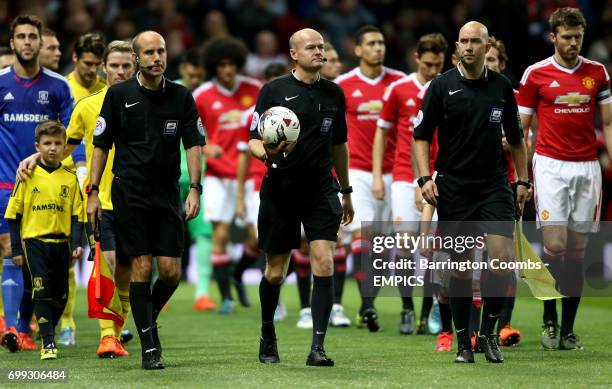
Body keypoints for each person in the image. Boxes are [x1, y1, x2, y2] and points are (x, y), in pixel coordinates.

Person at [87, 30, 204, 370]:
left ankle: (146, 315)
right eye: (150, 52)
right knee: (141, 264)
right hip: (130, 191)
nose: (157, 57)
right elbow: (101, 146)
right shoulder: (119, 95)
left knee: (170, 272)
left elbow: (193, 144)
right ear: (138, 58)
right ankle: (149, 346)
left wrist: (195, 187)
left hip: (167, 191)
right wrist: (93, 192)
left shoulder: (182, 96)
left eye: (162, 51)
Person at [413, 21, 529, 364]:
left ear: (485, 45)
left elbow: (517, 139)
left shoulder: (502, 88)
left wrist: (521, 180)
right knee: (460, 268)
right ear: (458, 46)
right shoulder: (441, 86)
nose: (468, 46)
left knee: (501, 257)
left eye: (474, 41)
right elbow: (420, 136)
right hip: (454, 186)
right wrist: (424, 179)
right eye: (462, 41)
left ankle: (490, 334)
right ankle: (464, 343)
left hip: (494, 184)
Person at [251, 28, 353, 367]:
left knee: (323, 260)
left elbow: (340, 145)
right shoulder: (274, 91)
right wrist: (268, 155)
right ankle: (268, 332)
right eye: (311, 47)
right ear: (294, 54)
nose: (318, 52)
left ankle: (318, 347)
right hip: (281, 186)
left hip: (322, 187)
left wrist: (347, 191)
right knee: (275, 271)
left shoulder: (334, 94)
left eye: (321, 47)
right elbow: (252, 140)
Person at [517, 7, 612, 351]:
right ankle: (549, 320)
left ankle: (568, 330)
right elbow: (522, 132)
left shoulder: (597, 73)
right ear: (553, 37)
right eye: (567, 37)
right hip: (550, 166)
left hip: (587, 168)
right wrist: (521, 176)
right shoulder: (535, 75)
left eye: (578, 37)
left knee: (578, 250)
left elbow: (609, 125)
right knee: (555, 245)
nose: (573, 43)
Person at [0, 14, 74, 353]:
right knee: (11, 253)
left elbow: (73, 135)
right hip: (6, 184)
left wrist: (47, 159)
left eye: (33, 36)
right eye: (22, 37)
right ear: (13, 42)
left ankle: (28, 324)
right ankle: (16, 329)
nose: (28, 42)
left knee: (37, 265)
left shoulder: (58, 86)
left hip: (45, 186)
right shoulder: (1, 83)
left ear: (40, 42)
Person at [373, 33, 447, 335]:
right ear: (417, 58)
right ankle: (406, 308)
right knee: (404, 244)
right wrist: (378, 174)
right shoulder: (398, 89)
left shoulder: (447, 88)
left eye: (438, 64)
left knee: (434, 247)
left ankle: (430, 315)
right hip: (404, 175)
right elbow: (383, 132)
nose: (432, 70)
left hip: (441, 174)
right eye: (428, 64)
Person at [335, 25, 405, 332]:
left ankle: (368, 302)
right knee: (363, 237)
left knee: (384, 245)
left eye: (382, 43)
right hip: (359, 172)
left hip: (398, 173)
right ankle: (366, 305)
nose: (379, 48)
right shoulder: (342, 85)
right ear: (358, 50)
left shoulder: (400, 83)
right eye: (372, 43)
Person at [5, 120, 85, 360]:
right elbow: (13, 215)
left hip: (61, 243)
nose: (52, 148)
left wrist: (78, 243)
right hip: (34, 242)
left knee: (60, 294)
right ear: (37, 146)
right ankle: (48, 343)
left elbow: (77, 215)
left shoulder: (70, 178)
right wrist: (17, 249)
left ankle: (46, 326)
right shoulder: (26, 175)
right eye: (47, 143)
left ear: (64, 147)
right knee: (41, 290)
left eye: (57, 143)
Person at [193, 37, 261, 314]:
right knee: (220, 233)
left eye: (232, 64)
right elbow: (192, 135)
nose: (228, 70)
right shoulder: (202, 95)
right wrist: (206, 147)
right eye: (222, 65)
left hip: (251, 174)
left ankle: (237, 273)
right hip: (219, 176)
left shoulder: (255, 90)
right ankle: (225, 298)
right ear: (214, 67)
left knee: (259, 237)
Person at [58, 31, 106, 348]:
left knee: (102, 252)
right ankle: (65, 322)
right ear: (75, 58)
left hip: (98, 180)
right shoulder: (62, 88)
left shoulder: (107, 91)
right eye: (87, 63)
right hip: (64, 175)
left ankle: (109, 323)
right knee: (67, 253)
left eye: (97, 64)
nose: (93, 70)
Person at [484, 36, 523, 347]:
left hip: (506, 183)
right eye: (485, 59)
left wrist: (508, 143)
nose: (489, 64)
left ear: (502, 63)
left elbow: (525, 140)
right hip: (468, 186)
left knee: (502, 258)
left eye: (494, 59)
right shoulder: (461, 90)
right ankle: (471, 328)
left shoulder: (515, 96)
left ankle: (503, 325)